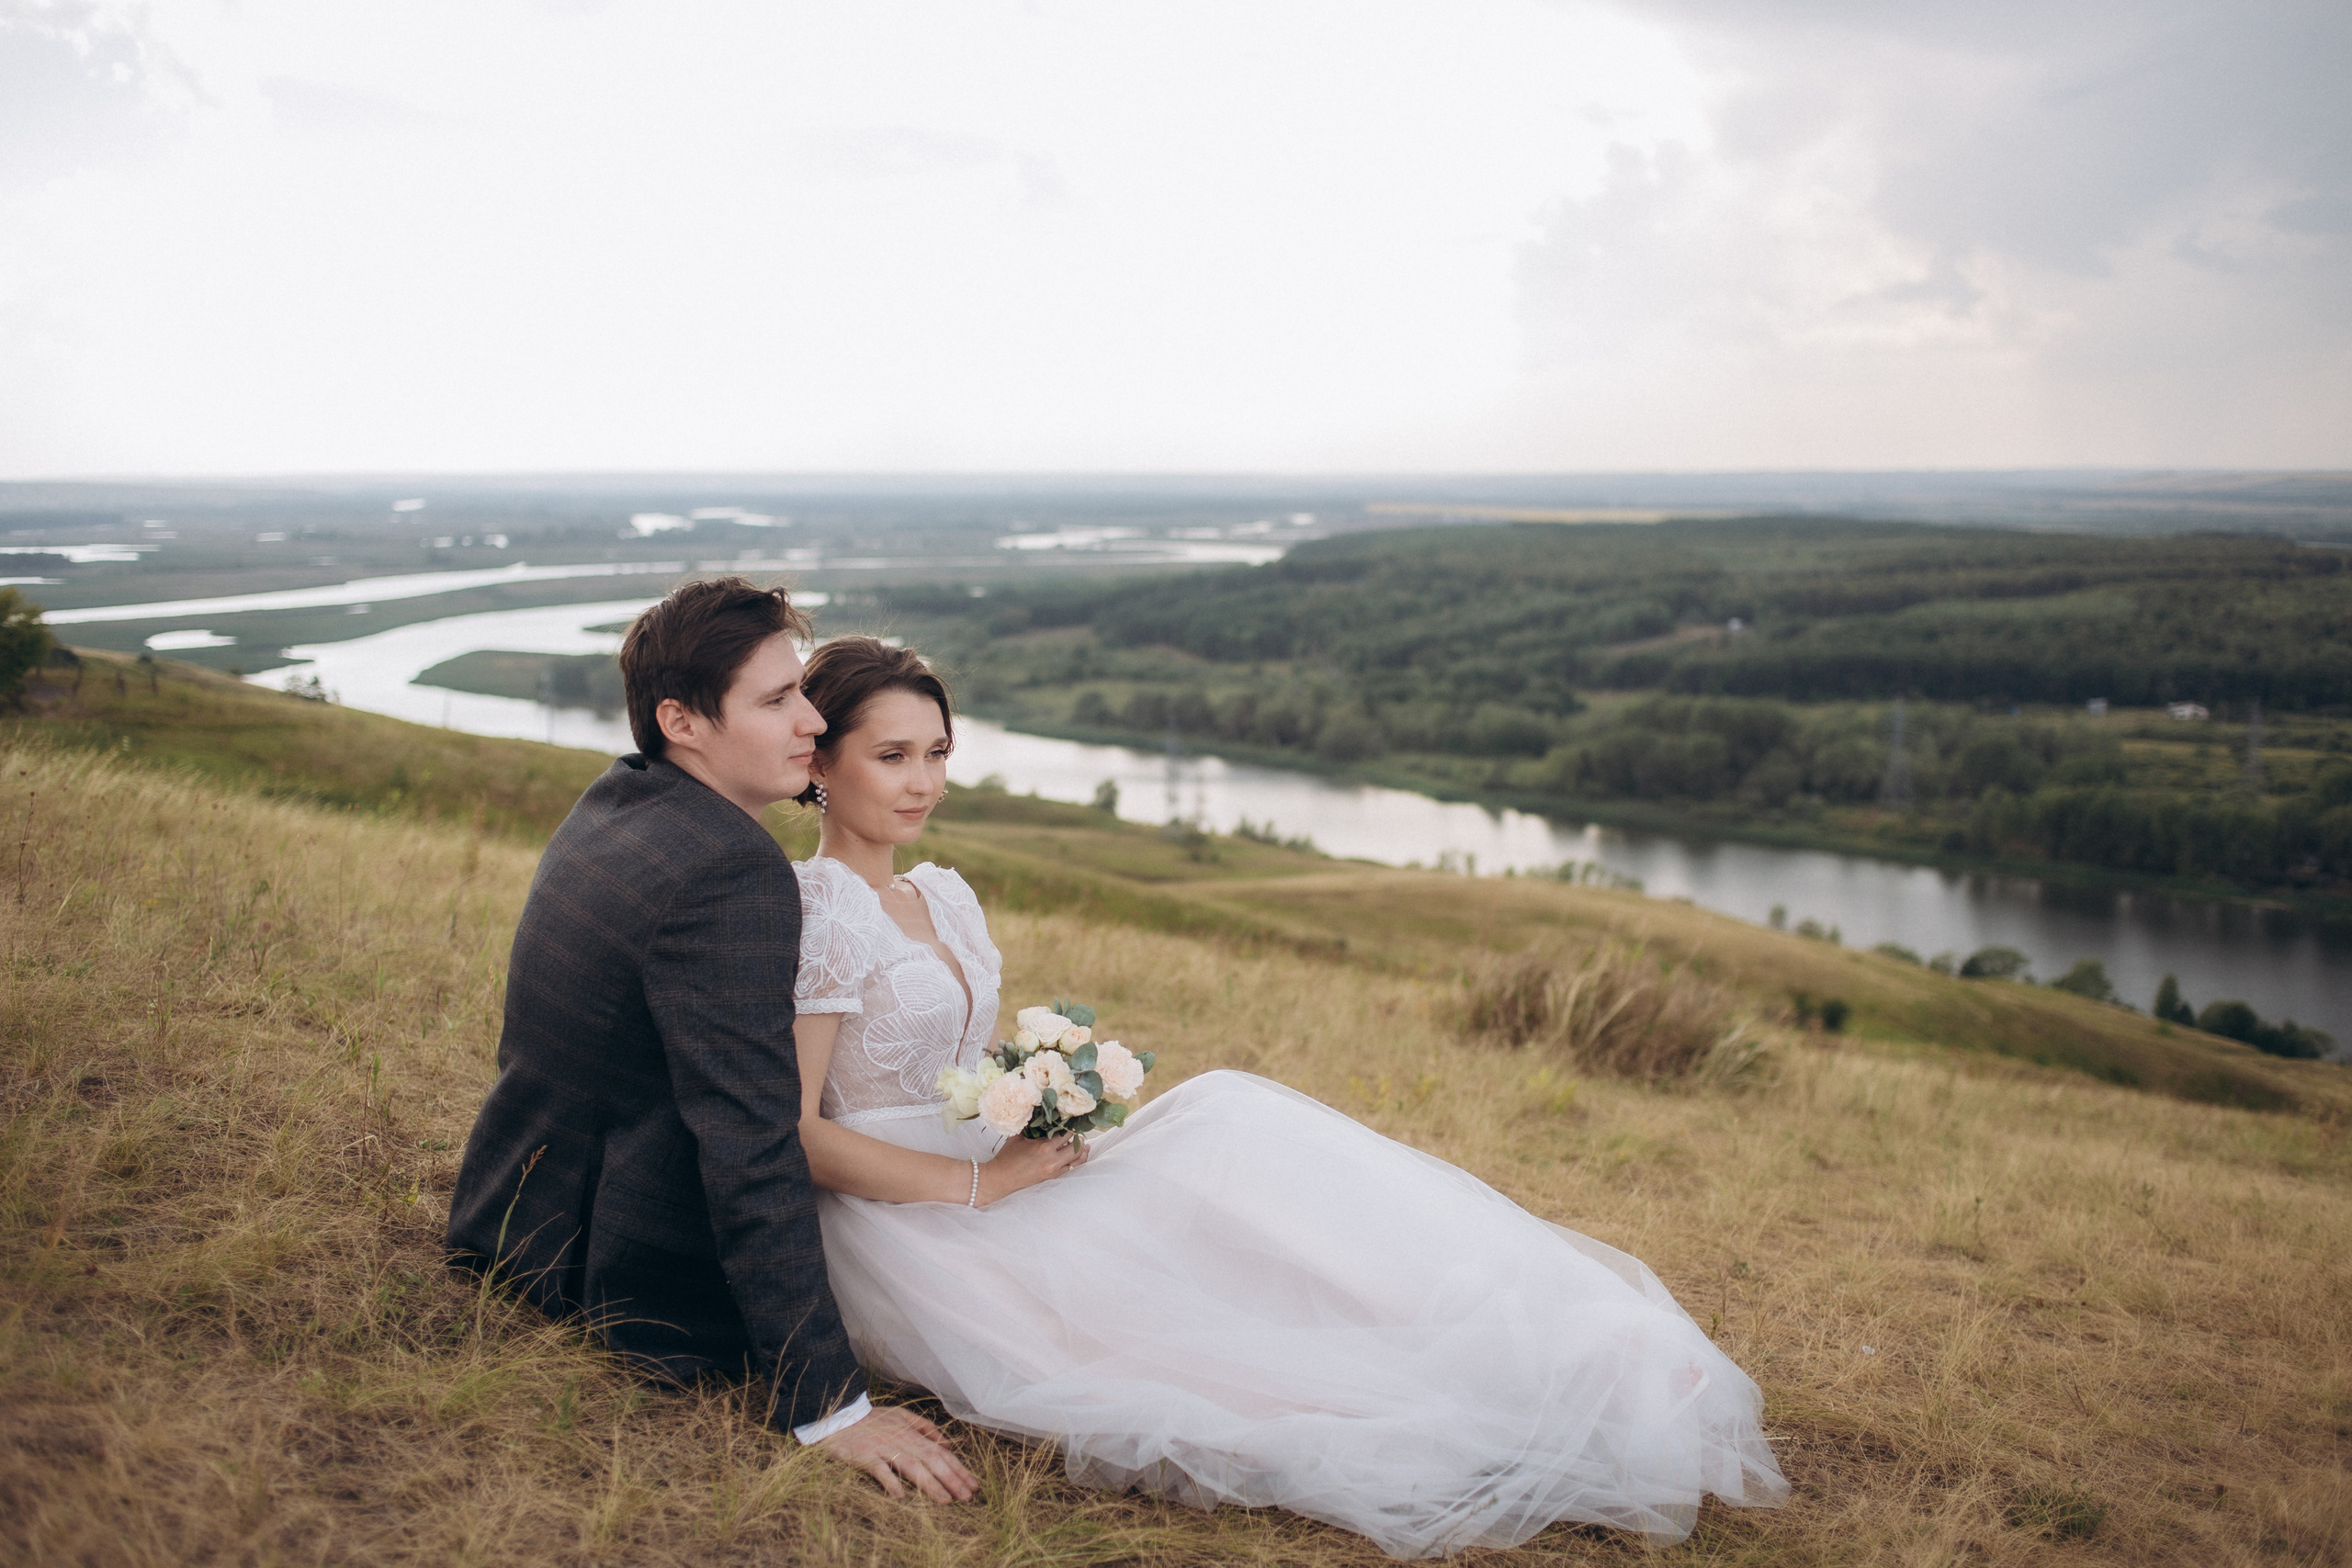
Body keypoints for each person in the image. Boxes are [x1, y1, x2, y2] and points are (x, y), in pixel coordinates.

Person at [787, 636, 1790, 1558]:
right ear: (820, 760)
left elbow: (956, 1062)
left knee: (1227, 1117)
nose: (923, 781)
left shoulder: (942, 893)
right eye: (892, 756)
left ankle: (1542, 1355)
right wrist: (986, 1187)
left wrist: (1042, 1101)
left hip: (996, 1162)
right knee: (1164, 1320)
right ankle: (1472, 1406)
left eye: (937, 753)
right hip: (908, 1220)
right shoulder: (817, 910)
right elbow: (799, 1133)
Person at [444, 580, 974, 1503]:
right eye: (776, 700)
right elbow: (752, 1141)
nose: (812, 719)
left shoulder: (622, 801)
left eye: (801, 690)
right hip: (618, 1270)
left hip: (517, 1215)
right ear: (681, 721)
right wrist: (830, 1404)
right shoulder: (734, 874)